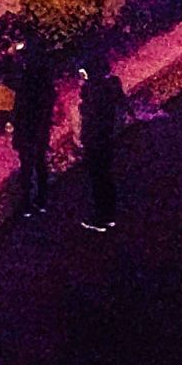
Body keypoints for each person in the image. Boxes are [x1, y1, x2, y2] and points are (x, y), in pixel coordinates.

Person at [78, 51, 124, 232]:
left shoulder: (94, 91)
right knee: (105, 177)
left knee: (98, 178)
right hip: (107, 137)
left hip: (96, 140)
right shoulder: (111, 85)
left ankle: (101, 217)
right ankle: (109, 214)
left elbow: (89, 116)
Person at [10, 42, 58, 217]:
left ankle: (26, 203)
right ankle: (42, 198)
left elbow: (19, 104)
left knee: (27, 166)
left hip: (27, 128)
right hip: (40, 127)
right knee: (40, 162)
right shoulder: (45, 80)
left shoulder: (26, 80)